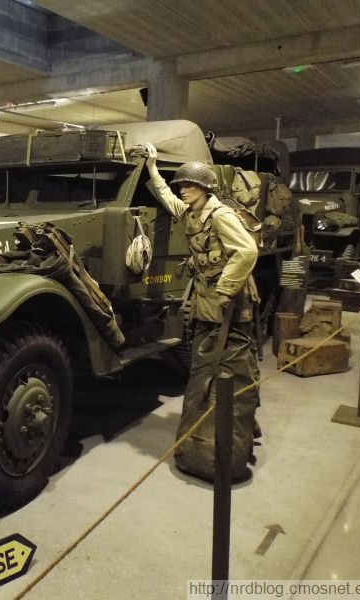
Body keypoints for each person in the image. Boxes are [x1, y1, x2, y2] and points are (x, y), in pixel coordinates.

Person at [144, 142, 261, 480]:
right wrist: (153, 168)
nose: (184, 190)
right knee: (208, 363)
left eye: (190, 185)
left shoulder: (220, 215)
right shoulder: (192, 213)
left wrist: (226, 289)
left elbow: (247, 251)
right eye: (182, 185)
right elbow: (167, 199)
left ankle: (238, 426)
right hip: (207, 301)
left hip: (230, 303)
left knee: (234, 365)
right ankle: (232, 425)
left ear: (205, 188)